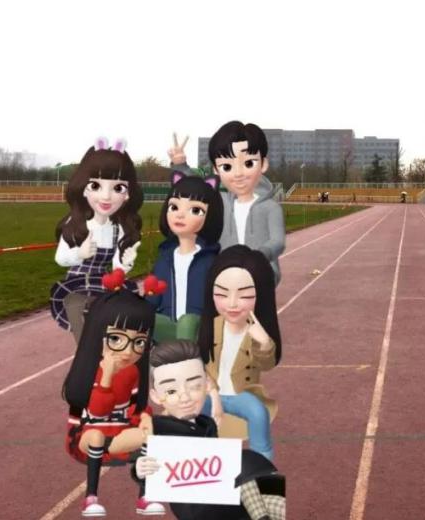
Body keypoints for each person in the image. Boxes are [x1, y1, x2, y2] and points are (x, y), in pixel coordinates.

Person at [133, 340, 286, 520]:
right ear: (156, 396)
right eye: (171, 391)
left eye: (194, 386)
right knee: (248, 461)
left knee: (265, 484)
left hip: (219, 493)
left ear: (206, 385)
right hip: (193, 506)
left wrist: (215, 397)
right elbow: (147, 469)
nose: (185, 397)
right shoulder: (157, 428)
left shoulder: (207, 423)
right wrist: (139, 471)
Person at [61, 286, 163, 517]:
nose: (128, 352)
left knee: (149, 434)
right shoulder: (90, 371)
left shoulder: (133, 372)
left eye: (139, 342)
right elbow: (98, 411)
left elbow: (136, 405)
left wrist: (145, 417)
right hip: (85, 434)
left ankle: (145, 496)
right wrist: (107, 376)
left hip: (118, 432)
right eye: (116, 338)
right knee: (97, 436)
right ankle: (91, 498)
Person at [169, 125, 286, 286]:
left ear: (263, 164)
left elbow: (278, 241)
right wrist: (180, 165)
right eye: (227, 167)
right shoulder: (220, 201)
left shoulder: (271, 207)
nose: (238, 174)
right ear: (216, 170)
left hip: (260, 276)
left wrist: (260, 255)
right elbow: (196, 189)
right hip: (222, 275)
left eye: (248, 163)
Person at [51, 139, 143, 341]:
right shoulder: (76, 223)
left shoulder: (118, 228)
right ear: (84, 188)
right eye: (96, 186)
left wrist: (126, 262)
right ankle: (85, 350)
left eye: (118, 188)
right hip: (77, 284)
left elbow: (117, 268)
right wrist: (79, 254)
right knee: (79, 312)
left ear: (128, 194)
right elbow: (60, 258)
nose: (106, 197)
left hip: (102, 283)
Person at [197, 245, 281, 461]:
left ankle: (263, 469)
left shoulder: (257, 331)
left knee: (258, 413)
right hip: (211, 393)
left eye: (244, 295)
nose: (232, 304)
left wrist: (263, 341)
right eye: (221, 294)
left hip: (242, 394)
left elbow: (267, 364)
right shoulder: (211, 326)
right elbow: (199, 365)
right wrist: (213, 395)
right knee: (180, 411)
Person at [146, 172, 224, 342]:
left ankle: (185, 355)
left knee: (187, 323)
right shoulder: (164, 258)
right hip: (169, 330)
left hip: (198, 331)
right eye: (174, 207)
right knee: (140, 318)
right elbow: (152, 298)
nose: (180, 215)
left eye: (195, 210)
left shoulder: (212, 262)